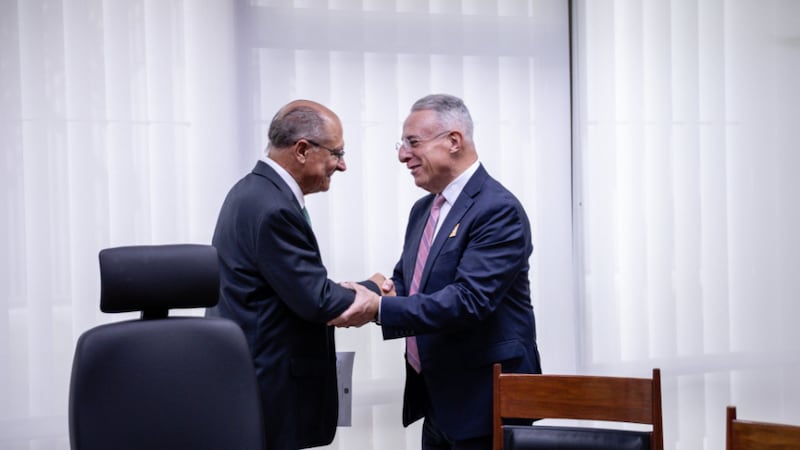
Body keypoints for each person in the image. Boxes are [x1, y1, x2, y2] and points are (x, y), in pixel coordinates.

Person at [331, 94, 542, 449]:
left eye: (413, 142)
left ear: (454, 141)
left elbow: (469, 300)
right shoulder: (424, 209)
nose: (402, 155)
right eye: (402, 144)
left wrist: (377, 308)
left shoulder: (497, 210)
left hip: (485, 401)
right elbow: (407, 282)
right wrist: (354, 293)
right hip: (438, 398)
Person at [208, 99, 380, 450]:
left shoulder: (251, 191)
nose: (342, 165)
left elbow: (293, 284)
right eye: (337, 152)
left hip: (250, 379)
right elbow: (316, 300)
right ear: (302, 149)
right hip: (269, 387)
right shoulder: (273, 208)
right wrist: (374, 291)